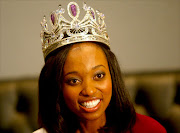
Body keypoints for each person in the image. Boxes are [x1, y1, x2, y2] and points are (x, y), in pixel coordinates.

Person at [34, 2, 167, 133]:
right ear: (57, 87)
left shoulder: (148, 129)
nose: (89, 91)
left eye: (98, 76)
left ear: (112, 76)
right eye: (74, 80)